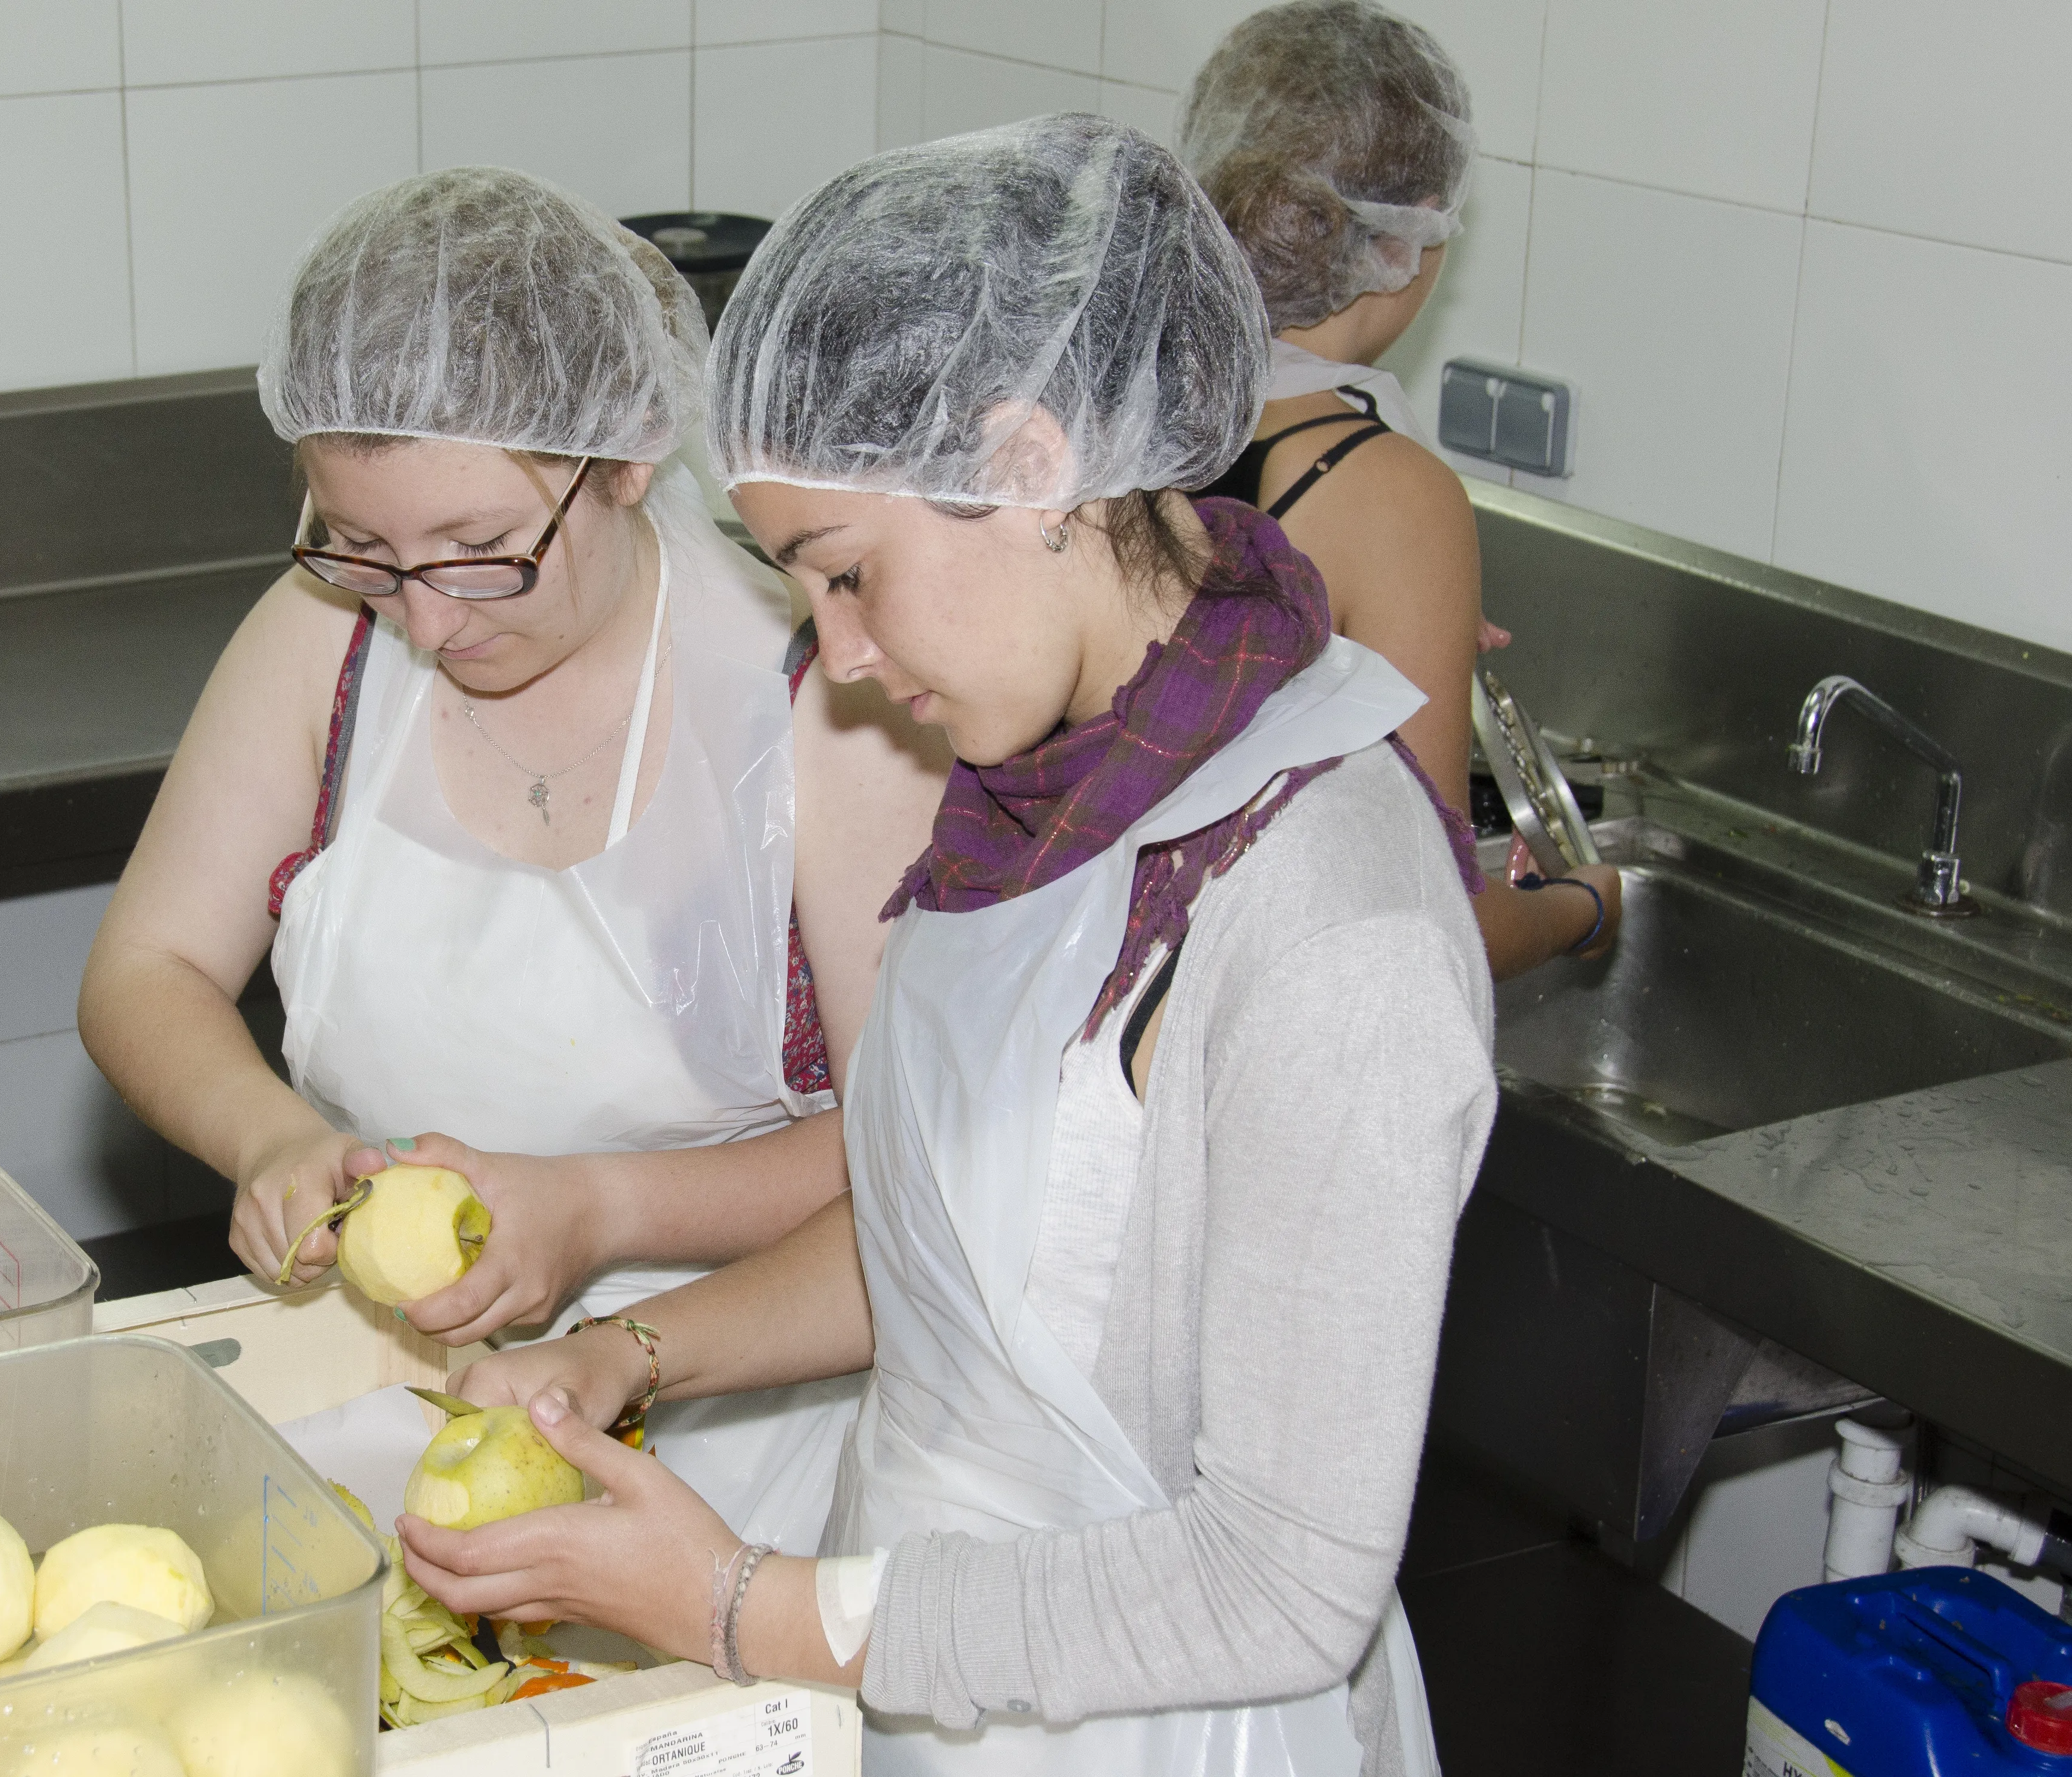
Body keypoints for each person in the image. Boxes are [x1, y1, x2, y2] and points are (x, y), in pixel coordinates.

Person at [396, 116, 1488, 1776]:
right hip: (928, 1691)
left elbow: (1280, 1584)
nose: (838, 659)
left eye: (847, 575)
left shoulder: (1333, 918)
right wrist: (627, 1349)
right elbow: (965, 1252)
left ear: (1031, 464)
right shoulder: (1043, 794)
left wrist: (740, 1606)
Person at [77, 168, 946, 1556]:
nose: (424, 622)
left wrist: (598, 1211)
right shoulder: (326, 636)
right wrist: (272, 1136)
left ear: (623, 461)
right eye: (364, 546)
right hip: (374, 1415)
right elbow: (150, 965)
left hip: (736, 1463)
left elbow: (915, 1150)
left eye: (482, 553)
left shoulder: (819, 704)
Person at [1182, 0, 1620, 977]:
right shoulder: (1380, 489)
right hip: (1245, 1036)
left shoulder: (1124, 404)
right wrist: (1583, 912)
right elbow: (1422, 919)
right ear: (1408, 245)